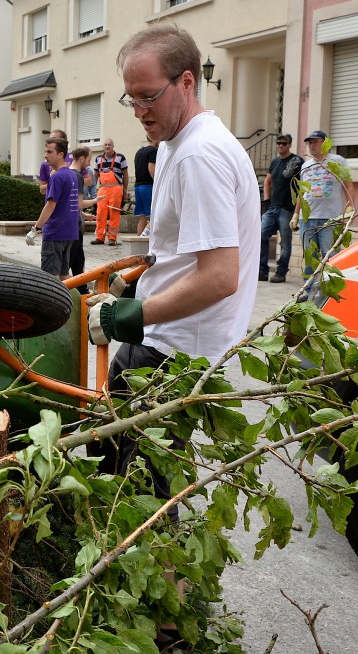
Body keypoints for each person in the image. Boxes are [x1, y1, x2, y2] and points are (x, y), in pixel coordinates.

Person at [88, 22, 259, 388]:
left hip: (176, 349)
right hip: (168, 338)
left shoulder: (198, 154)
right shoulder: (173, 142)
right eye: (131, 98)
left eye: (148, 96)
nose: (138, 110)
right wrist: (136, 286)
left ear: (186, 82)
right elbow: (182, 252)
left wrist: (124, 317)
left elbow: (219, 276)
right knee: (112, 436)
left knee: (118, 443)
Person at [294, 130, 355, 304]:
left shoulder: (337, 161)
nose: (311, 145)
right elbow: (301, 191)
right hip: (308, 218)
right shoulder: (306, 165)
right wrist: (296, 214)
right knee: (310, 256)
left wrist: (349, 208)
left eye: (315, 142)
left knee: (330, 256)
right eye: (309, 142)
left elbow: (348, 186)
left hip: (331, 218)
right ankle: (307, 290)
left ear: (325, 142)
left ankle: (329, 290)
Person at [25, 137, 87, 279]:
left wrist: (36, 229)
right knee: (64, 276)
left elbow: (50, 205)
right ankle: (82, 301)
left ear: (60, 154)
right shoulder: (72, 175)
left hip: (55, 234)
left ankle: (77, 301)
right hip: (68, 233)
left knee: (50, 279)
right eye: (45, 151)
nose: (45, 155)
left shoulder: (57, 177)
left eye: (49, 152)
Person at [258, 134, 302, 283]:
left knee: (285, 242)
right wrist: (267, 202)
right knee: (261, 235)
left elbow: (302, 188)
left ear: (289, 145)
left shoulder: (297, 162)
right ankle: (262, 271)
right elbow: (267, 182)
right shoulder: (275, 162)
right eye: (278, 143)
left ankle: (281, 272)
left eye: (284, 143)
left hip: (287, 209)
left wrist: (296, 212)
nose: (280, 146)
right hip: (272, 208)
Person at [91, 140, 128, 246]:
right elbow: (95, 176)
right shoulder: (98, 159)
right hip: (102, 189)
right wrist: (94, 191)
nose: (107, 146)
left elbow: (125, 175)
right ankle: (99, 237)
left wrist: (125, 191)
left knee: (114, 213)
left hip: (116, 189)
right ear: (103, 147)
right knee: (100, 213)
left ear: (113, 146)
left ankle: (112, 238)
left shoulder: (120, 157)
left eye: (109, 145)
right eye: (105, 145)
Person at [133, 133, 158, 235]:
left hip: (138, 186)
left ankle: (138, 239)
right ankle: (145, 235)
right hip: (148, 186)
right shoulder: (153, 151)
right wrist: (157, 182)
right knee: (155, 215)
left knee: (142, 216)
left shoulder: (139, 152)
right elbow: (151, 168)